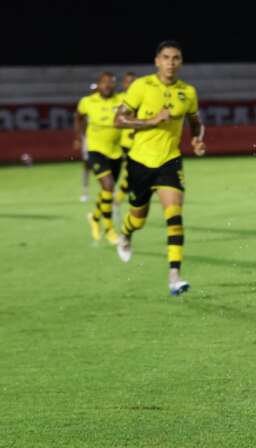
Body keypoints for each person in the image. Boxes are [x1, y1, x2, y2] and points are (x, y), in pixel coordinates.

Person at [115, 40, 205, 296]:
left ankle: (174, 275)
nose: (171, 63)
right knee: (138, 219)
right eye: (166, 57)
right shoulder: (141, 86)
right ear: (157, 61)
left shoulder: (188, 92)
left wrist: (198, 139)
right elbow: (119, 121)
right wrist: (152, 120)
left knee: (174, 215)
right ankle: (126, 232)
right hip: (140, 162)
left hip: (169, 161)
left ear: (181, 62)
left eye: (176, 58)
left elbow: (196, 122)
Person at [74, 72, 124, 244]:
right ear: (98, 84)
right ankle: (109, 229)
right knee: (109, 185)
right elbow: (78, 117)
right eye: (104, 83)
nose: (107, 86)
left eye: (110, 83)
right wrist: (79, 137)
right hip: (96, 151)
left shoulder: (121, 100)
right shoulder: (87, 101)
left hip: (116, 152)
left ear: (114, 85)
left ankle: (94, 218)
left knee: (106, 191)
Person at [114, 71, 137, 207]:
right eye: (129, 81)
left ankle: (117, 199)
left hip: (140, 142)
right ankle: (116, 200)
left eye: (134, 81)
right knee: (129, 172)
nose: (132, 84)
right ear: (124, 83)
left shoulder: (142, 98)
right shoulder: (118, 99)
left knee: (134, 172)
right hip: (124, 143)